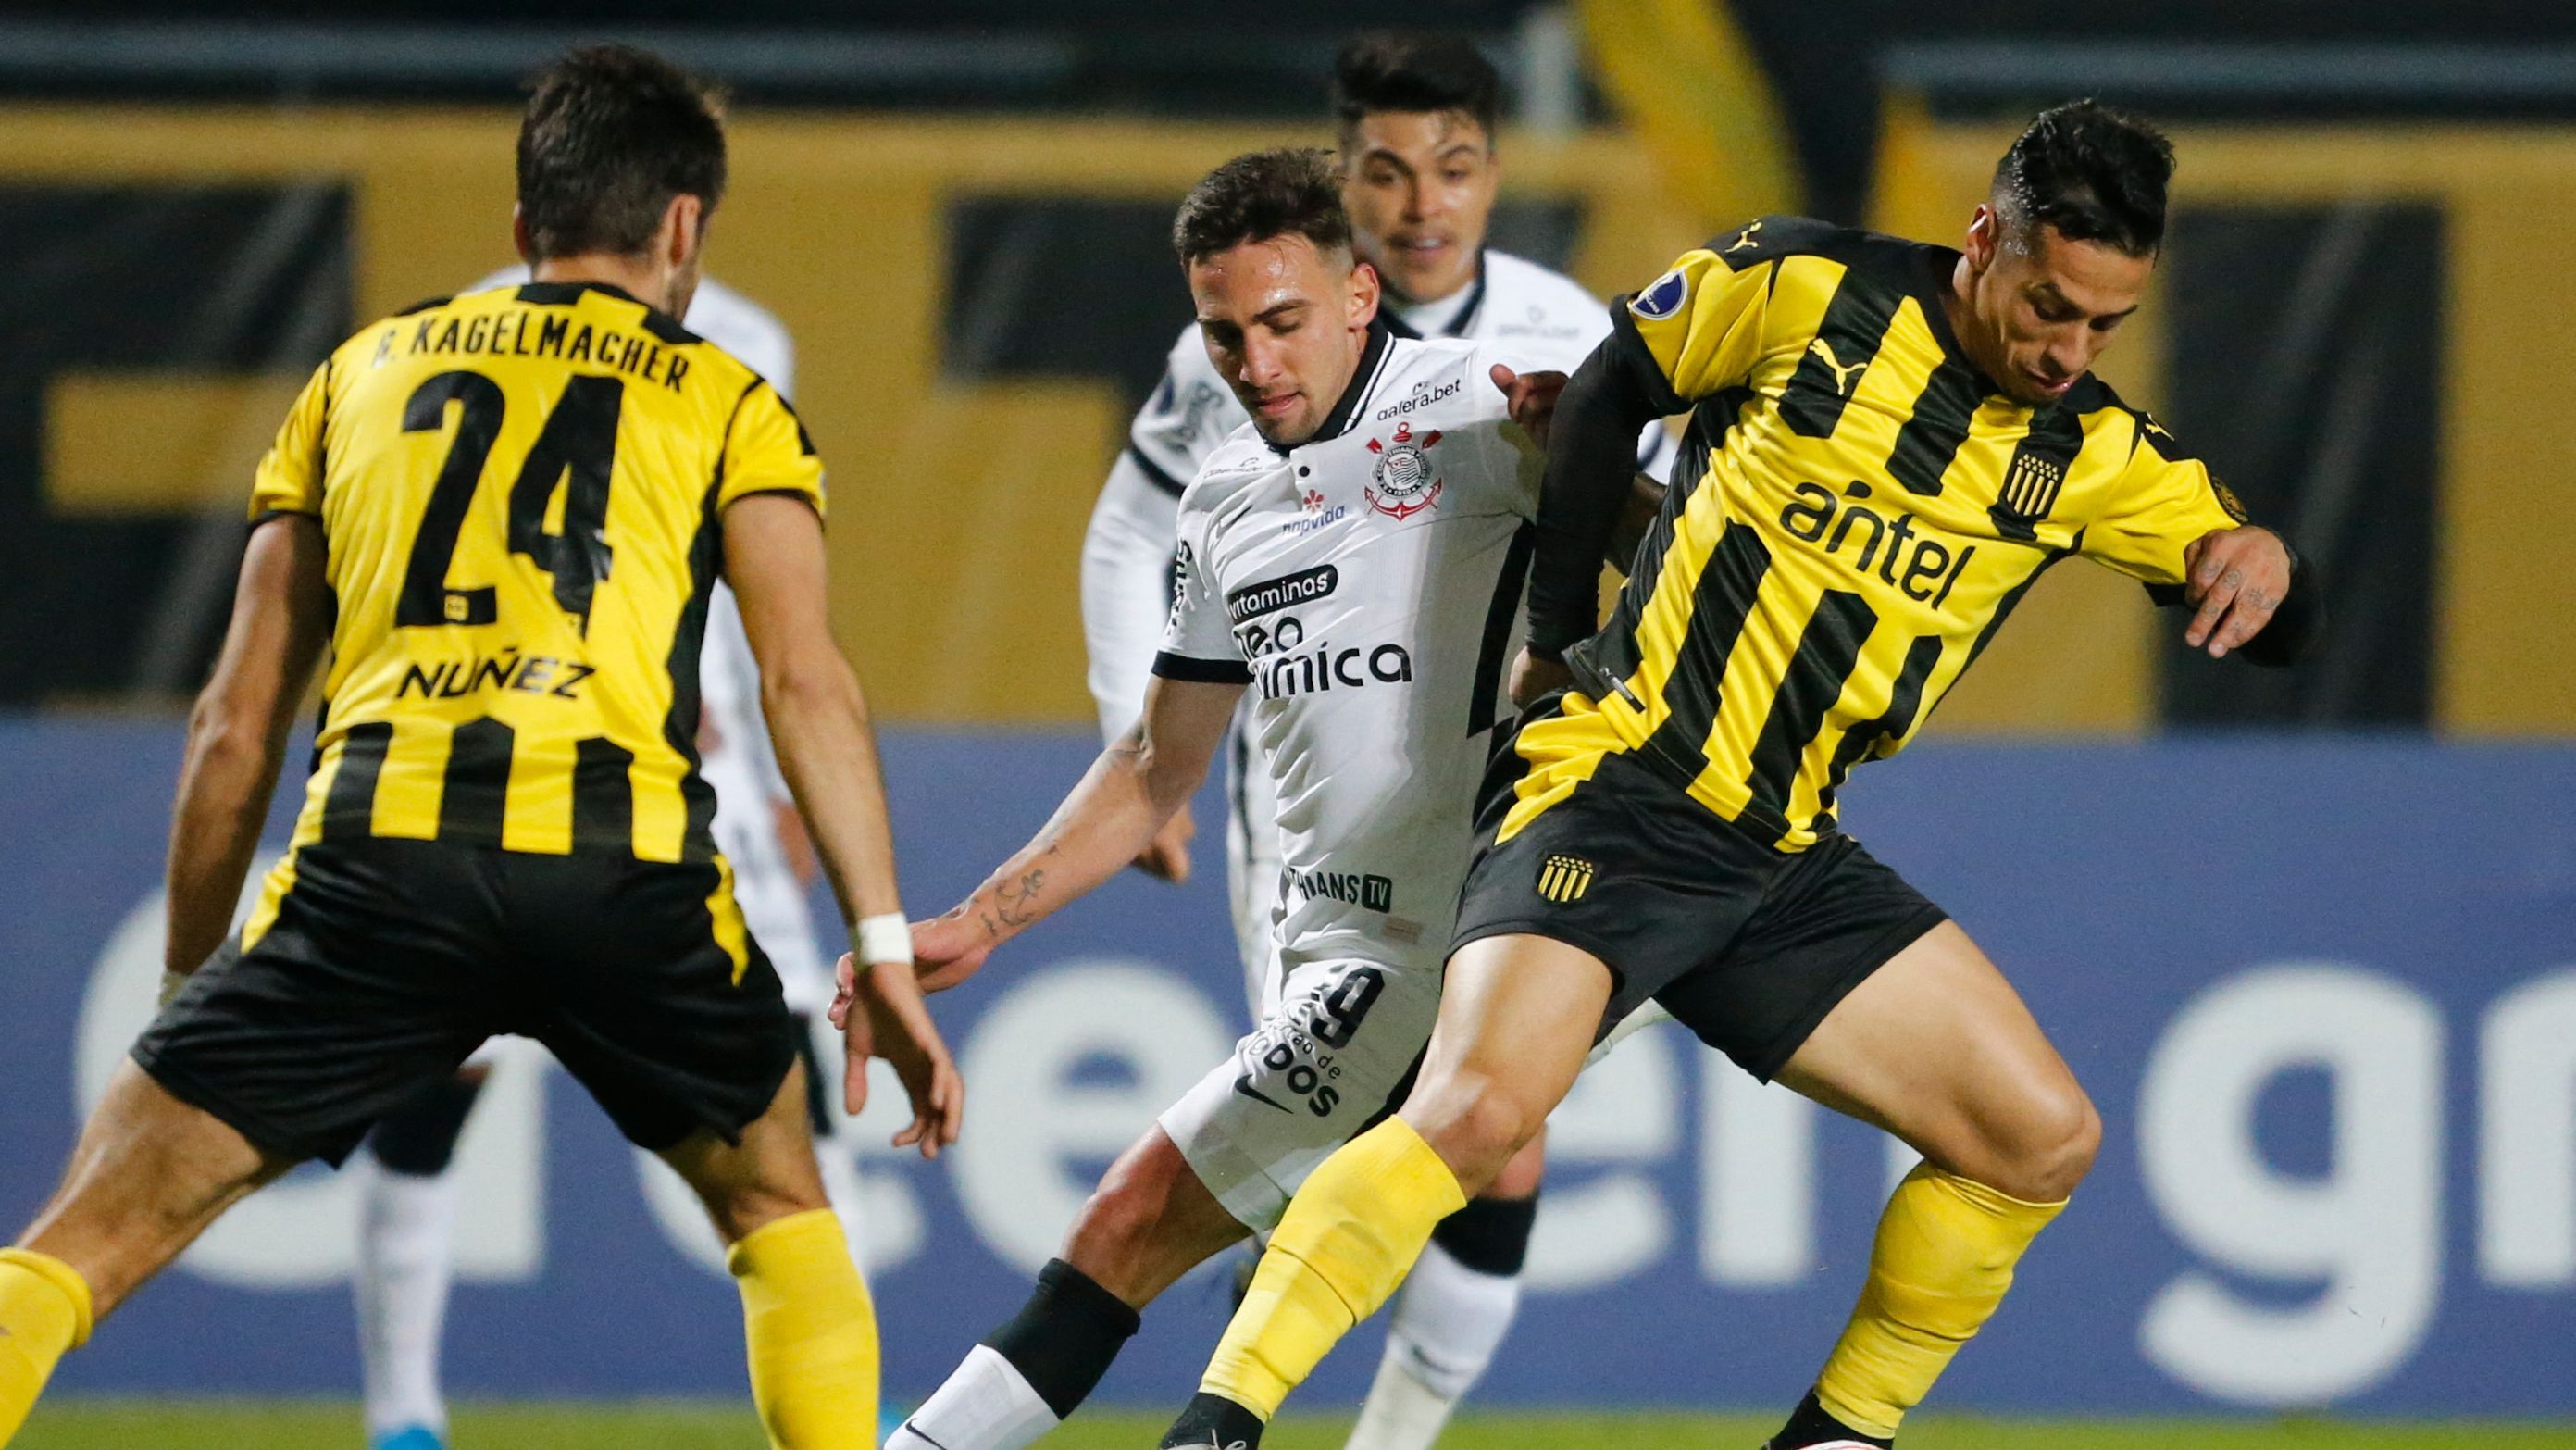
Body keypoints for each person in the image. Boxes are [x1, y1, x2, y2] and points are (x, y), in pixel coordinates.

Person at [1156, 100, 2328, 1450]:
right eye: (2046, 303)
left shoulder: (2094, 457)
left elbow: (2277, 621)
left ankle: (1830, 1440)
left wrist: (2268, 563)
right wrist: (1552, 634)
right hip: (1618, 781)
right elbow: (1603, 389)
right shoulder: (1799, 289)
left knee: (2034, 1135)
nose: (2065, 350)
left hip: (1778, 854)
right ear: (1981, 240)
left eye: (2102, 325)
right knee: (1477, 1111)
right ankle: (1222, 1419)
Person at [0, 44, 961, 1450]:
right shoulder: (729, 397)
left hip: (381, 866)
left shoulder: (355, 376)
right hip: (616, 866)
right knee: (780, 1210)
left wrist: (193, 983)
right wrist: (880, 945)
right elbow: (804, 681)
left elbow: (231, 724)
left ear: (522, 228)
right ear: (682, 226)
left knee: (81, 1242)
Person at [880, 147, 1579, 1450]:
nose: (1254, 362)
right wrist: (980, 921)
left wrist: (1588, 457)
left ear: (1358, 295)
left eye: (1281, 321)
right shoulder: (1220, 501)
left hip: (1437, 945)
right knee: (1188, 1231)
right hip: (1327, 942)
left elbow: (1664, 532)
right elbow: (1156, 766)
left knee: (1132, 1220)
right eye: (1222, 332)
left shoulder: (1484, 417)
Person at [1076, 34, 1668, 1449]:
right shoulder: (1230, 345)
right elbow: (1127, 525)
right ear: (1345, 186)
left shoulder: (1550, 327)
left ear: (1492, 175)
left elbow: (1638, 541)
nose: (1420, 207)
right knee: (1303, 1143)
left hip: (1509, 800)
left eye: (1452, 169)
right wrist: (1135, 743)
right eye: (1387, 173)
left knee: (1492, 1138)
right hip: (1313, 806)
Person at [350, 267, 877, 1450]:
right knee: (442, 1089)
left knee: (794, 1083)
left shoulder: (743, 335)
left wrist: (774, 773)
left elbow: (753, 581)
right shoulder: (462, 332)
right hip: (512, 755)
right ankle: (403, 1418)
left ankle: (853, 1405)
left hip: (690, 763)